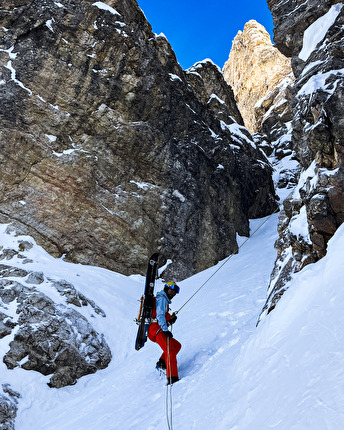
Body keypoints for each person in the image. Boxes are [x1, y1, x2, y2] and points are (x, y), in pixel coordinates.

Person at [148, 281, 181, 385]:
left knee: (176, 346)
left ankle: (162, 363)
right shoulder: (162, 299)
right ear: (166, 288)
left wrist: (169, 320)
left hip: (155, 329)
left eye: (175, 292)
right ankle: (172, 378)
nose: (173, 293)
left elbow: (160, 315)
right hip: (157, 330)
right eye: (171, 290)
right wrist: (165, 330)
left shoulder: (162, 299)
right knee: (170, 351)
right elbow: (160, 315)